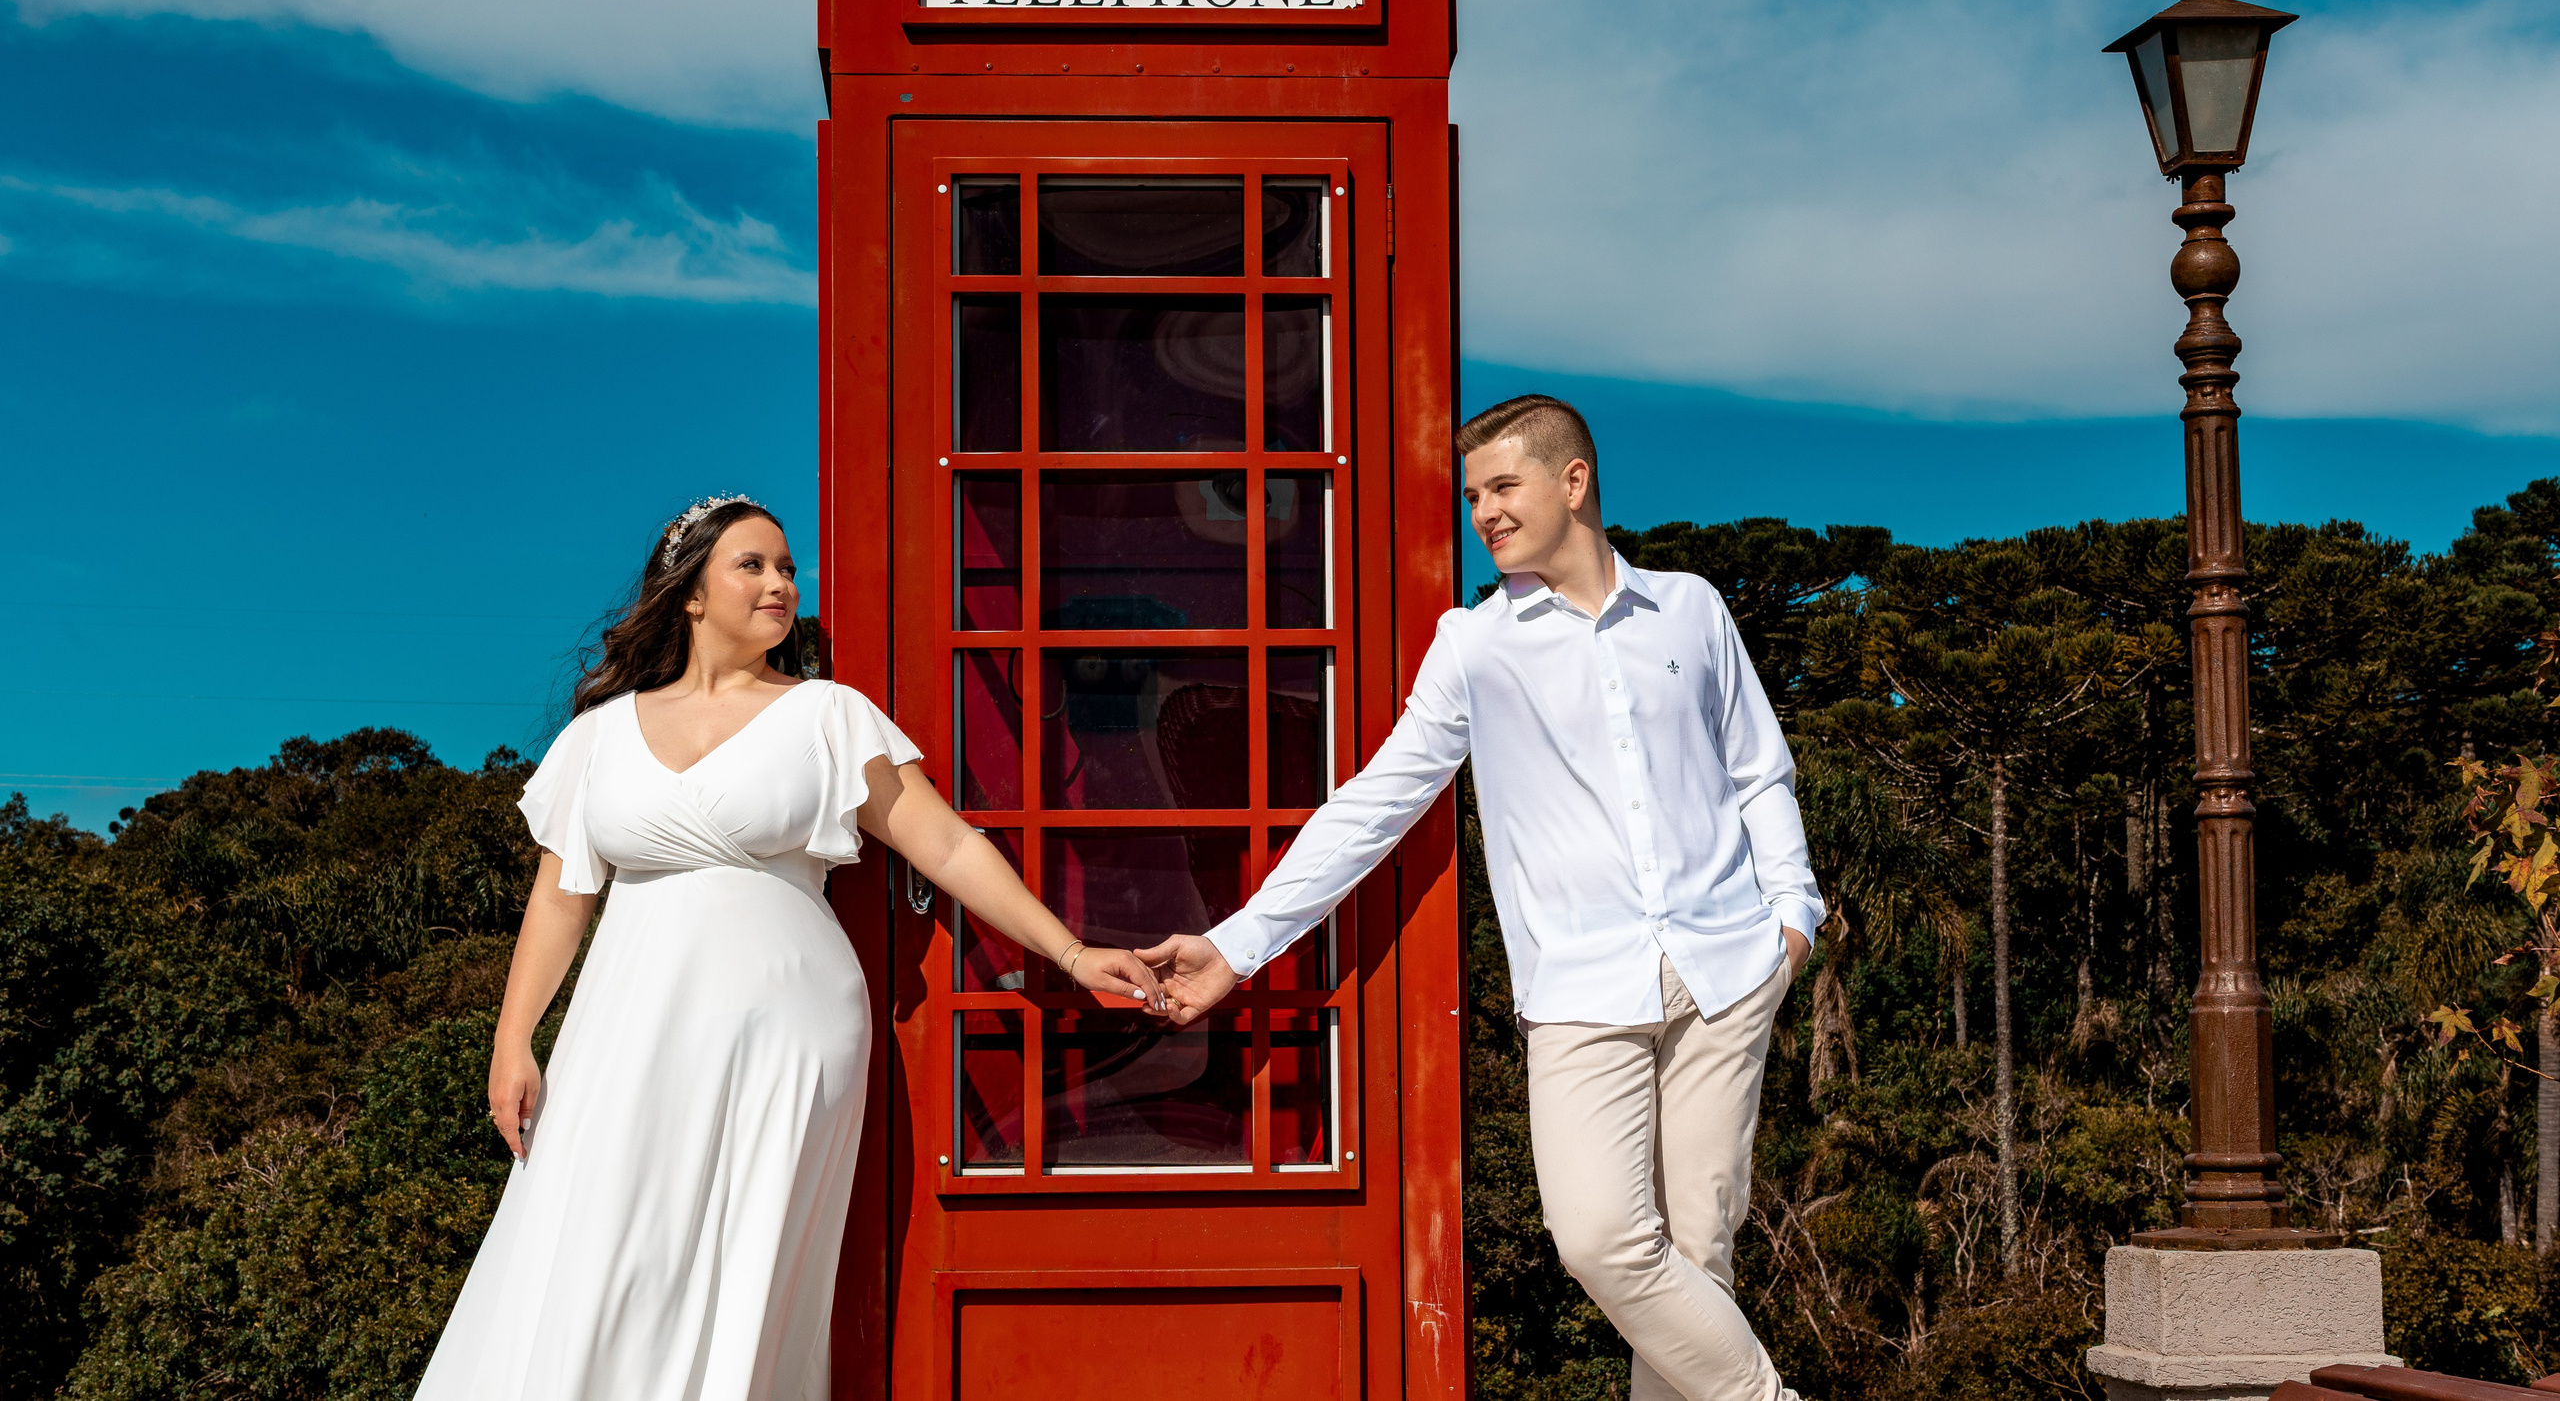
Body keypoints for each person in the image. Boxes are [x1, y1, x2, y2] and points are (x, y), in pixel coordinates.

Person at [1143, 396, 1821, 1401]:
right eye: (1472, 496)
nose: (1483, 513)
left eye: (1502, 487)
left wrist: (1791, 921)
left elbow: (1758, 770)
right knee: (1598, 1241)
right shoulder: (1475, 645)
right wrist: (1239, 944)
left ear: (1573, 483)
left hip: (1725, 969)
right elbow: (1374, 803)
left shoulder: (1691, 610)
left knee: (1694, 1259)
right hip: (1582, 991)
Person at [417, 496, 1163, 1401]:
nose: (782, 585)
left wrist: (1073, 952)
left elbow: (948, 843)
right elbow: (561, 895)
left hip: (788, 1027)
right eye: (754, 565)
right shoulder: (600, 735)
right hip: (627, 1025)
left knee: (746, 1261)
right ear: (689, 594)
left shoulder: (828, 715)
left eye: (788, 568)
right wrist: (512, 1039)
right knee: (601, 1242)